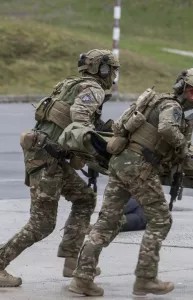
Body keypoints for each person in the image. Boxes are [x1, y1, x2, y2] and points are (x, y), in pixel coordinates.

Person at [68, 66, 193, 297]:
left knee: (107, 222)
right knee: (160, 221)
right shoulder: (171, 106)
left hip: (120, 163)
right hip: (138, 167)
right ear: (183, 89)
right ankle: (146, 278)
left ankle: (82, 278)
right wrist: (183, 147)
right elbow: (166, 128)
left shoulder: (156, 101)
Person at [0, 49, 120, 287]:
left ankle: (70, 258)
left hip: (47, 155)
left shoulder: (69, 84)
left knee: (85, 198)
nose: (114, 76)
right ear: (103, 69)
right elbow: (79, 116)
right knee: (42, 223)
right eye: (112, 70)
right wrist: (92, 147)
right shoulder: (93, 89)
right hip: (47, 158)